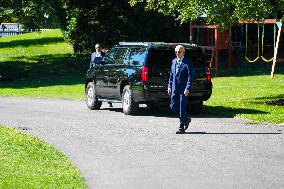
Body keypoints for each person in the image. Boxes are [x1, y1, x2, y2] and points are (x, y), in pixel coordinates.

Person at [168, 45, 193, 134]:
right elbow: (171, 75)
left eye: (179, 52)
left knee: (182, 107)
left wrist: (188, 88)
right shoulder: (173, 61)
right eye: (176, 52)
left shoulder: (187, 62)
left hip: (183, 89)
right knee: (173, 106)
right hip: (175, 87)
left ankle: (181, 127)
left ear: (183, 52)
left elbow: (190, 77)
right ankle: (186, 119)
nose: (177, 54)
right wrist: (169, 86)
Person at [90, 43, 113, 107]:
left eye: (98, 47)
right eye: (96, 48)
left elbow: (107, 62)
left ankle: (109, 101)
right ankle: (95, 100)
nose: (97, 49)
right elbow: (91, 63)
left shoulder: (104, 55)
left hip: (102, 73)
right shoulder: (93, 54)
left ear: (101, 48)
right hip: (95, 73)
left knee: (105, 86)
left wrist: (102, 61)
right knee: (94, 87)